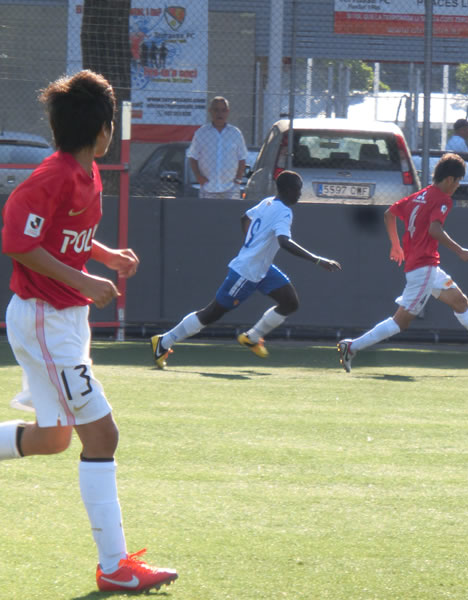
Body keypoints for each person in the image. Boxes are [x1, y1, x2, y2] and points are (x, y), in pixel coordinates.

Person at [0, 70, 177, 593]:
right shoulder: (52, 176)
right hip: (45, 319)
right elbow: (18, 242)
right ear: (103, 129)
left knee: (53, 438)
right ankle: (114, 567)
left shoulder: (86, 172)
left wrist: (104, 256)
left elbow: (65, 234)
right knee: (102, 434)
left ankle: (115, 565)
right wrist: (83, 279)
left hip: (62, 321)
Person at [337, 154, 468, 373]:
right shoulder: (442, 199)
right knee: (401, 322)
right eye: (458, 181)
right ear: (449, 179)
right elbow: (434, 229)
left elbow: (389, 214)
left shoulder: (419, 196)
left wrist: (395, 245)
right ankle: (351, 346)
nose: (457, 186)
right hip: (423, 268)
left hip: (427, 267)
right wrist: (460, 251)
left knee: (460, 301)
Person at [151, 170, 342, 368]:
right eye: (297, 190)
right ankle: (164, 341)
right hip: (247, 272)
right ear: (287, 190)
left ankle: (252, 337)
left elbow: (245, 217)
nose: (300, 194)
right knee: (212, 313)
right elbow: (284, 242)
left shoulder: (268, 202)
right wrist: (317, 260)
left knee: (290, 302)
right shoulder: (284, 211)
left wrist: (253, 246)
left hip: (262, 268)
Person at [188, 96, 248, 199]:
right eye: (216, 110)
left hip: (230, 189)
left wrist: (238, 179)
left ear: (227, 112)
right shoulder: (201, 133)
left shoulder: (235, 133)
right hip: (208, 187)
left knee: (231, 210)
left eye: (223, 110)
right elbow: (192, 157)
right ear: (210, 111)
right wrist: (198, 176)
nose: (220, 114)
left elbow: (242, 158)